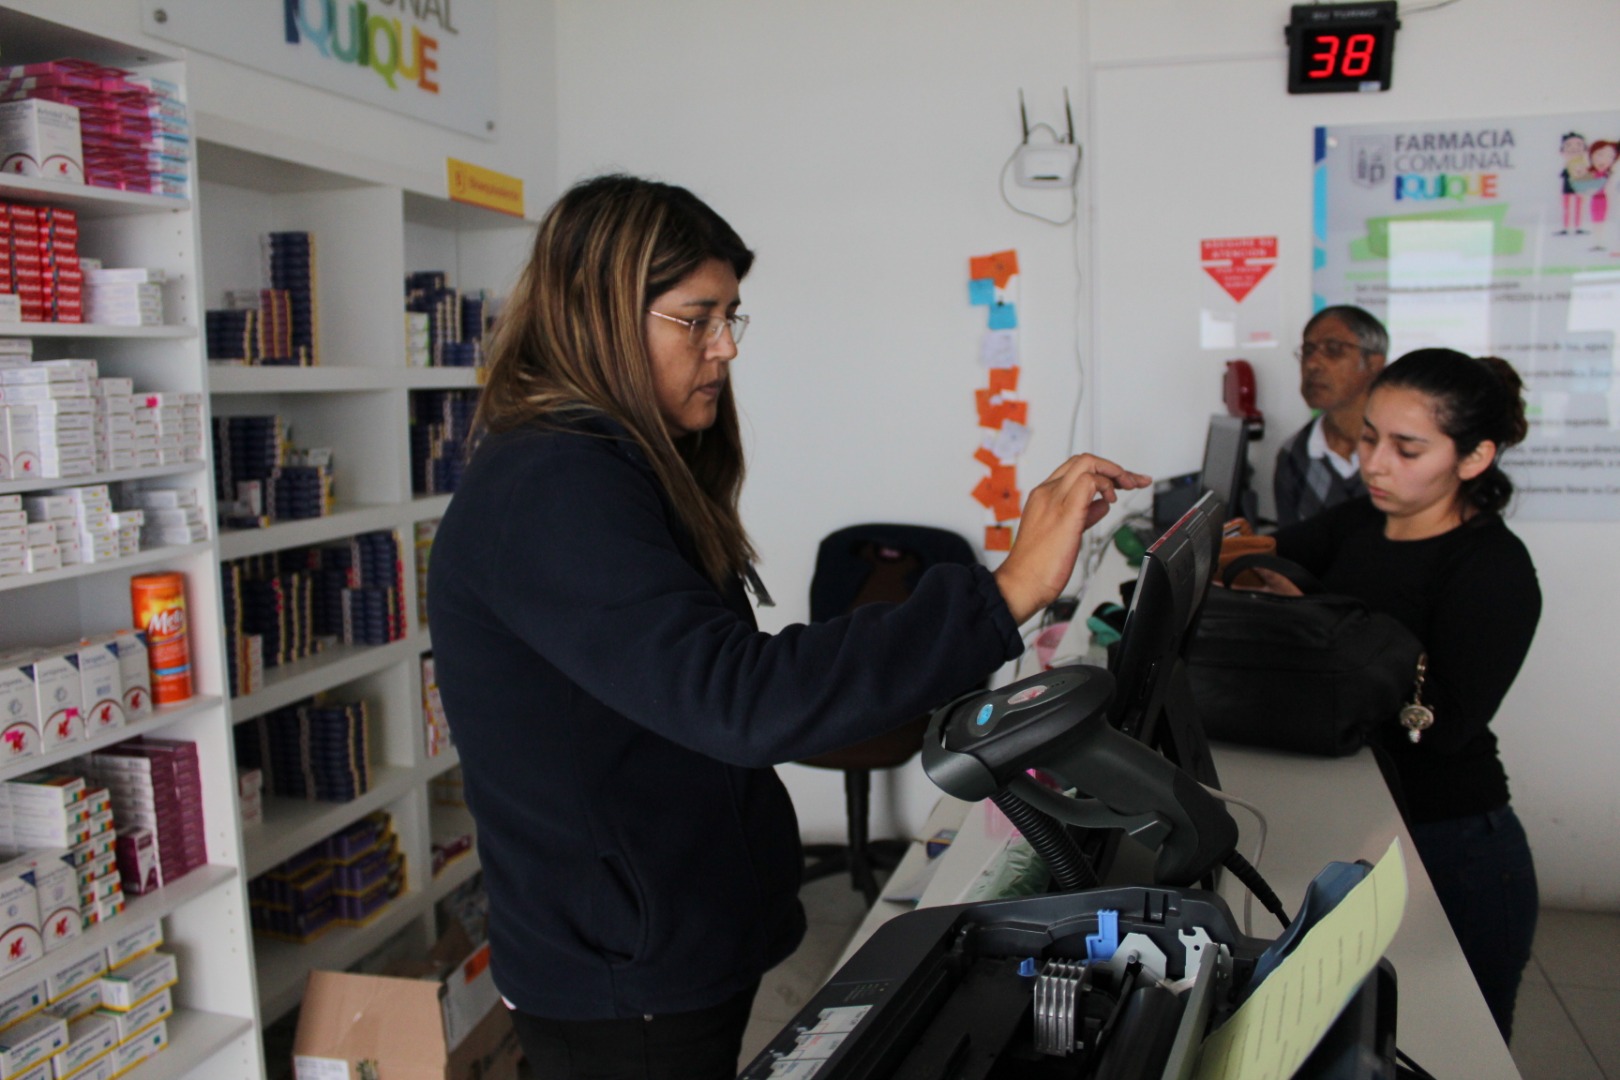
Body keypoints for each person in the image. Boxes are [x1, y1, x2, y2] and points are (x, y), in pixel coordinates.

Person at [425, 174, 1150, 1079]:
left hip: (667, 933)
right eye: (697, 319)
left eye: (731, 315)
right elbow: (741, 697)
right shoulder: (552, 487)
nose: (726, 347)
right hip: (621, 975)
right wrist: (1000, 595)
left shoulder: (608, 467)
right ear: (598, 317)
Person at [1262, 348, 1541, 1040]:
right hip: (1361, 819)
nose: (1375, 464)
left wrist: (1318, 621)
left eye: (1407, 449)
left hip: (1450, 842)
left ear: (1474, 458)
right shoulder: (1361, 521)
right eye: (1369, 438)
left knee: (1455, 1046)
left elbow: (1439, 724)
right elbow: (1268, 556)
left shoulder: (1495, 569)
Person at [1273, 305, 1388, 527]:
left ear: (1374, 364)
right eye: (1308, 351)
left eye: (1334, 350)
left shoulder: (1400, 452)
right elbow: (1290, 543)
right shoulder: (1294, 455)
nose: (1312, 364)